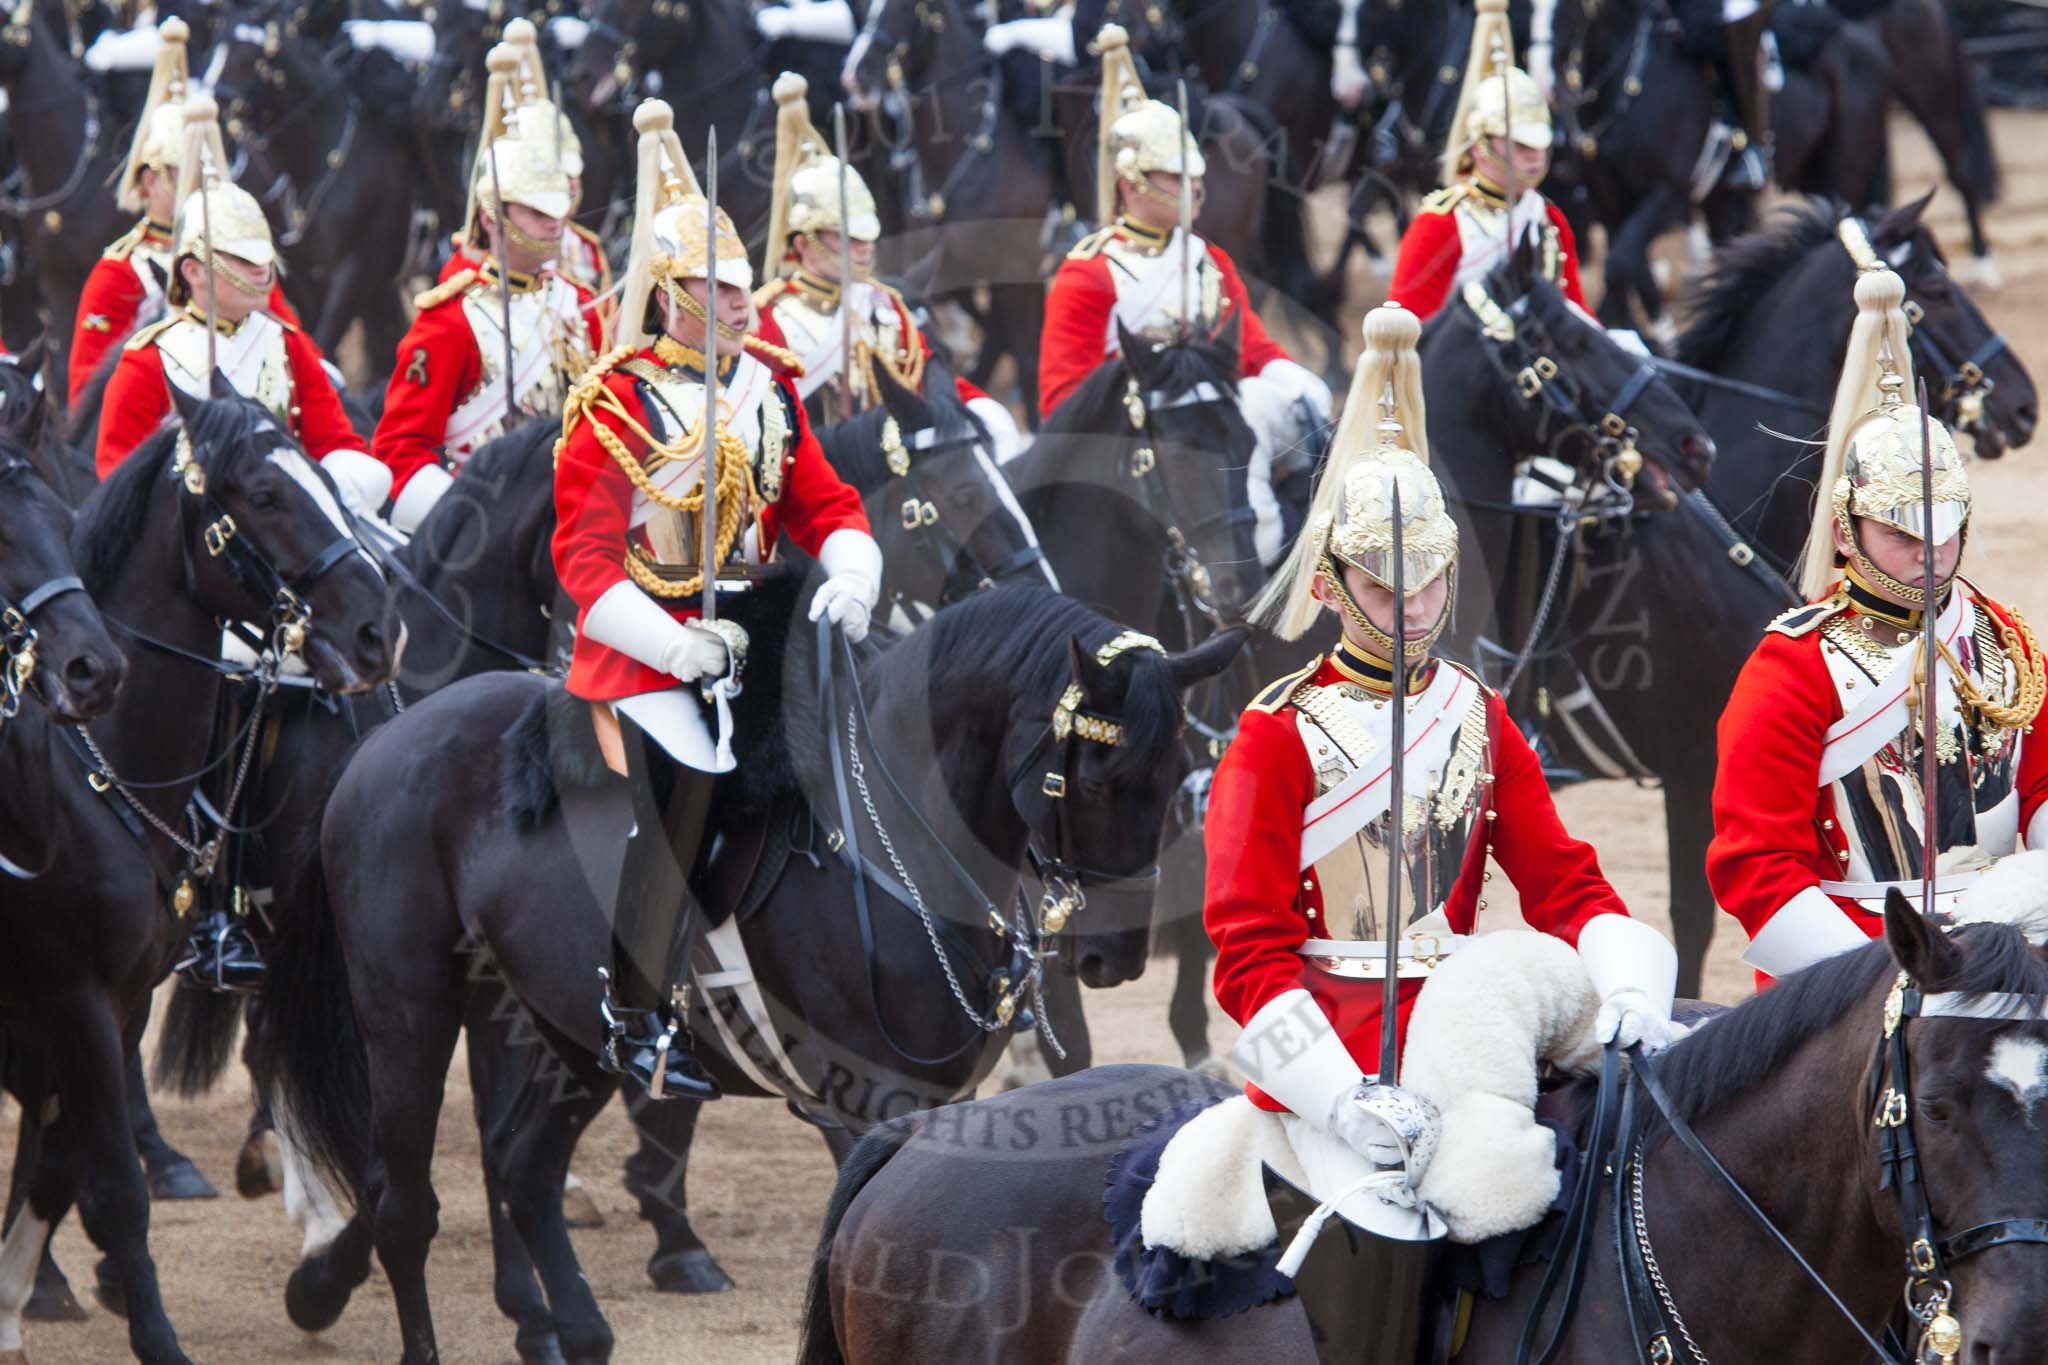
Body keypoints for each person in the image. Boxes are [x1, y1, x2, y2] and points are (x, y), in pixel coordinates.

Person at [1206, 302, 1681, 1245]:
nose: (1415, 607)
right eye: (1386, 586)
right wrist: (1339, 1099)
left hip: (1468, 1028)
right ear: (1336, 585)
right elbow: (1247, 958)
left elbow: (1563, 882)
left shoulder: (1478, 710)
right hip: (1335, 1053)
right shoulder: (1274, 734)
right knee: (1394, 1253)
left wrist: (1627, 985)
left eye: (1428, 580)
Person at [552, 99, 881, 1100]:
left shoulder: (768, 391)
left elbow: (826, 504)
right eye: (720, 293)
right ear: (667, 297)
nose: (743, 308)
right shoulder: (615, 401)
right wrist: (669, 644)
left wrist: (856, 570)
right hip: (646, 649)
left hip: (760, 630)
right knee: (689, 785)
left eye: (742, 292)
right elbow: (584, 558)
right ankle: (637, 1007)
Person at [1707, 266, 2048, 982]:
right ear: (1846, 528)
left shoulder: (2003, 639)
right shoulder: (1790, 668)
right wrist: (1868, 980)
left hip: (2008, 948)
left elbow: (2042, 788)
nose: (1930, 553)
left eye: (1946, 527)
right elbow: (1756, 866)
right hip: (1849, 959)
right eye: (1901, 532)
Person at [1037, 25, 1330, 562]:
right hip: (1139, 447)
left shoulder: (1207, 257)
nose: (1195, 189)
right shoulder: (1088, 275)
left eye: (1194, 177)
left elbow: (1252, 349)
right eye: (1177, 179)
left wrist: (1293, 379)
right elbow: (1063, 403)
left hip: (1214, 427)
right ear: (1131, 183)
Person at [96, 97, 382, 507]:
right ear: (193, 271)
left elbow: (336, 440)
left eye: (261, 255)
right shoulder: (148, 361)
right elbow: (120, 487)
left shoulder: (285, 344)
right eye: (240, 260)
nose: (260, 270)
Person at [372, 40, 603, 534]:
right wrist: (472, 524)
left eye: (557, 210)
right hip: (485, 534)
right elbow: (401, 453)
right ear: (491, 217)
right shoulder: (450, 319)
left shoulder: (580, 303)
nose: (554, 223)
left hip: (575, 524)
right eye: (537, 212)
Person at [750, 72, 1022, 455]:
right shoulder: (766, 319)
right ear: (803, 243)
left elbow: (926, 367)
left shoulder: (886, 302)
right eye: (849, 239)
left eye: (867, 236)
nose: (865, 248)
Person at [68, 18, 300, 405]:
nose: (195, 185)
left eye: (200, 171)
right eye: (180, 173)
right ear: (148, 183)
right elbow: (89, 396)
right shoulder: (118, 273)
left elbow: (289, 344)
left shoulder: (236, 253)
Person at [1385, 0, 1586, 324]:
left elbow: (1575, 312)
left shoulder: (1549, 219)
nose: (1535, 155)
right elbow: (1409, 330)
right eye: (1520, 145)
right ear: (1479, 146)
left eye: (1539, 144)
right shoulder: (1440, 225)